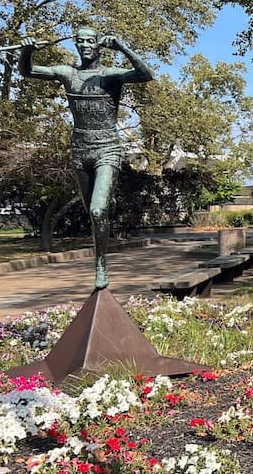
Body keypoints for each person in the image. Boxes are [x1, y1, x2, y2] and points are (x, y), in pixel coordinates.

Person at [19, 27, 154, 289]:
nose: (85, 45)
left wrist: (123, 47)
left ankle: (100, 265)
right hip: (80, 150)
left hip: (107, 147)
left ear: (98, 45)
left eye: (90, 41)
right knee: (91, 211)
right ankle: (105, 202)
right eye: (80, 41)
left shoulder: (110, 76)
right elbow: (28, 71)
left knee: (97, 209)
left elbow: (146, 75)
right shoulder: (67, 73)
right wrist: (28, 49)